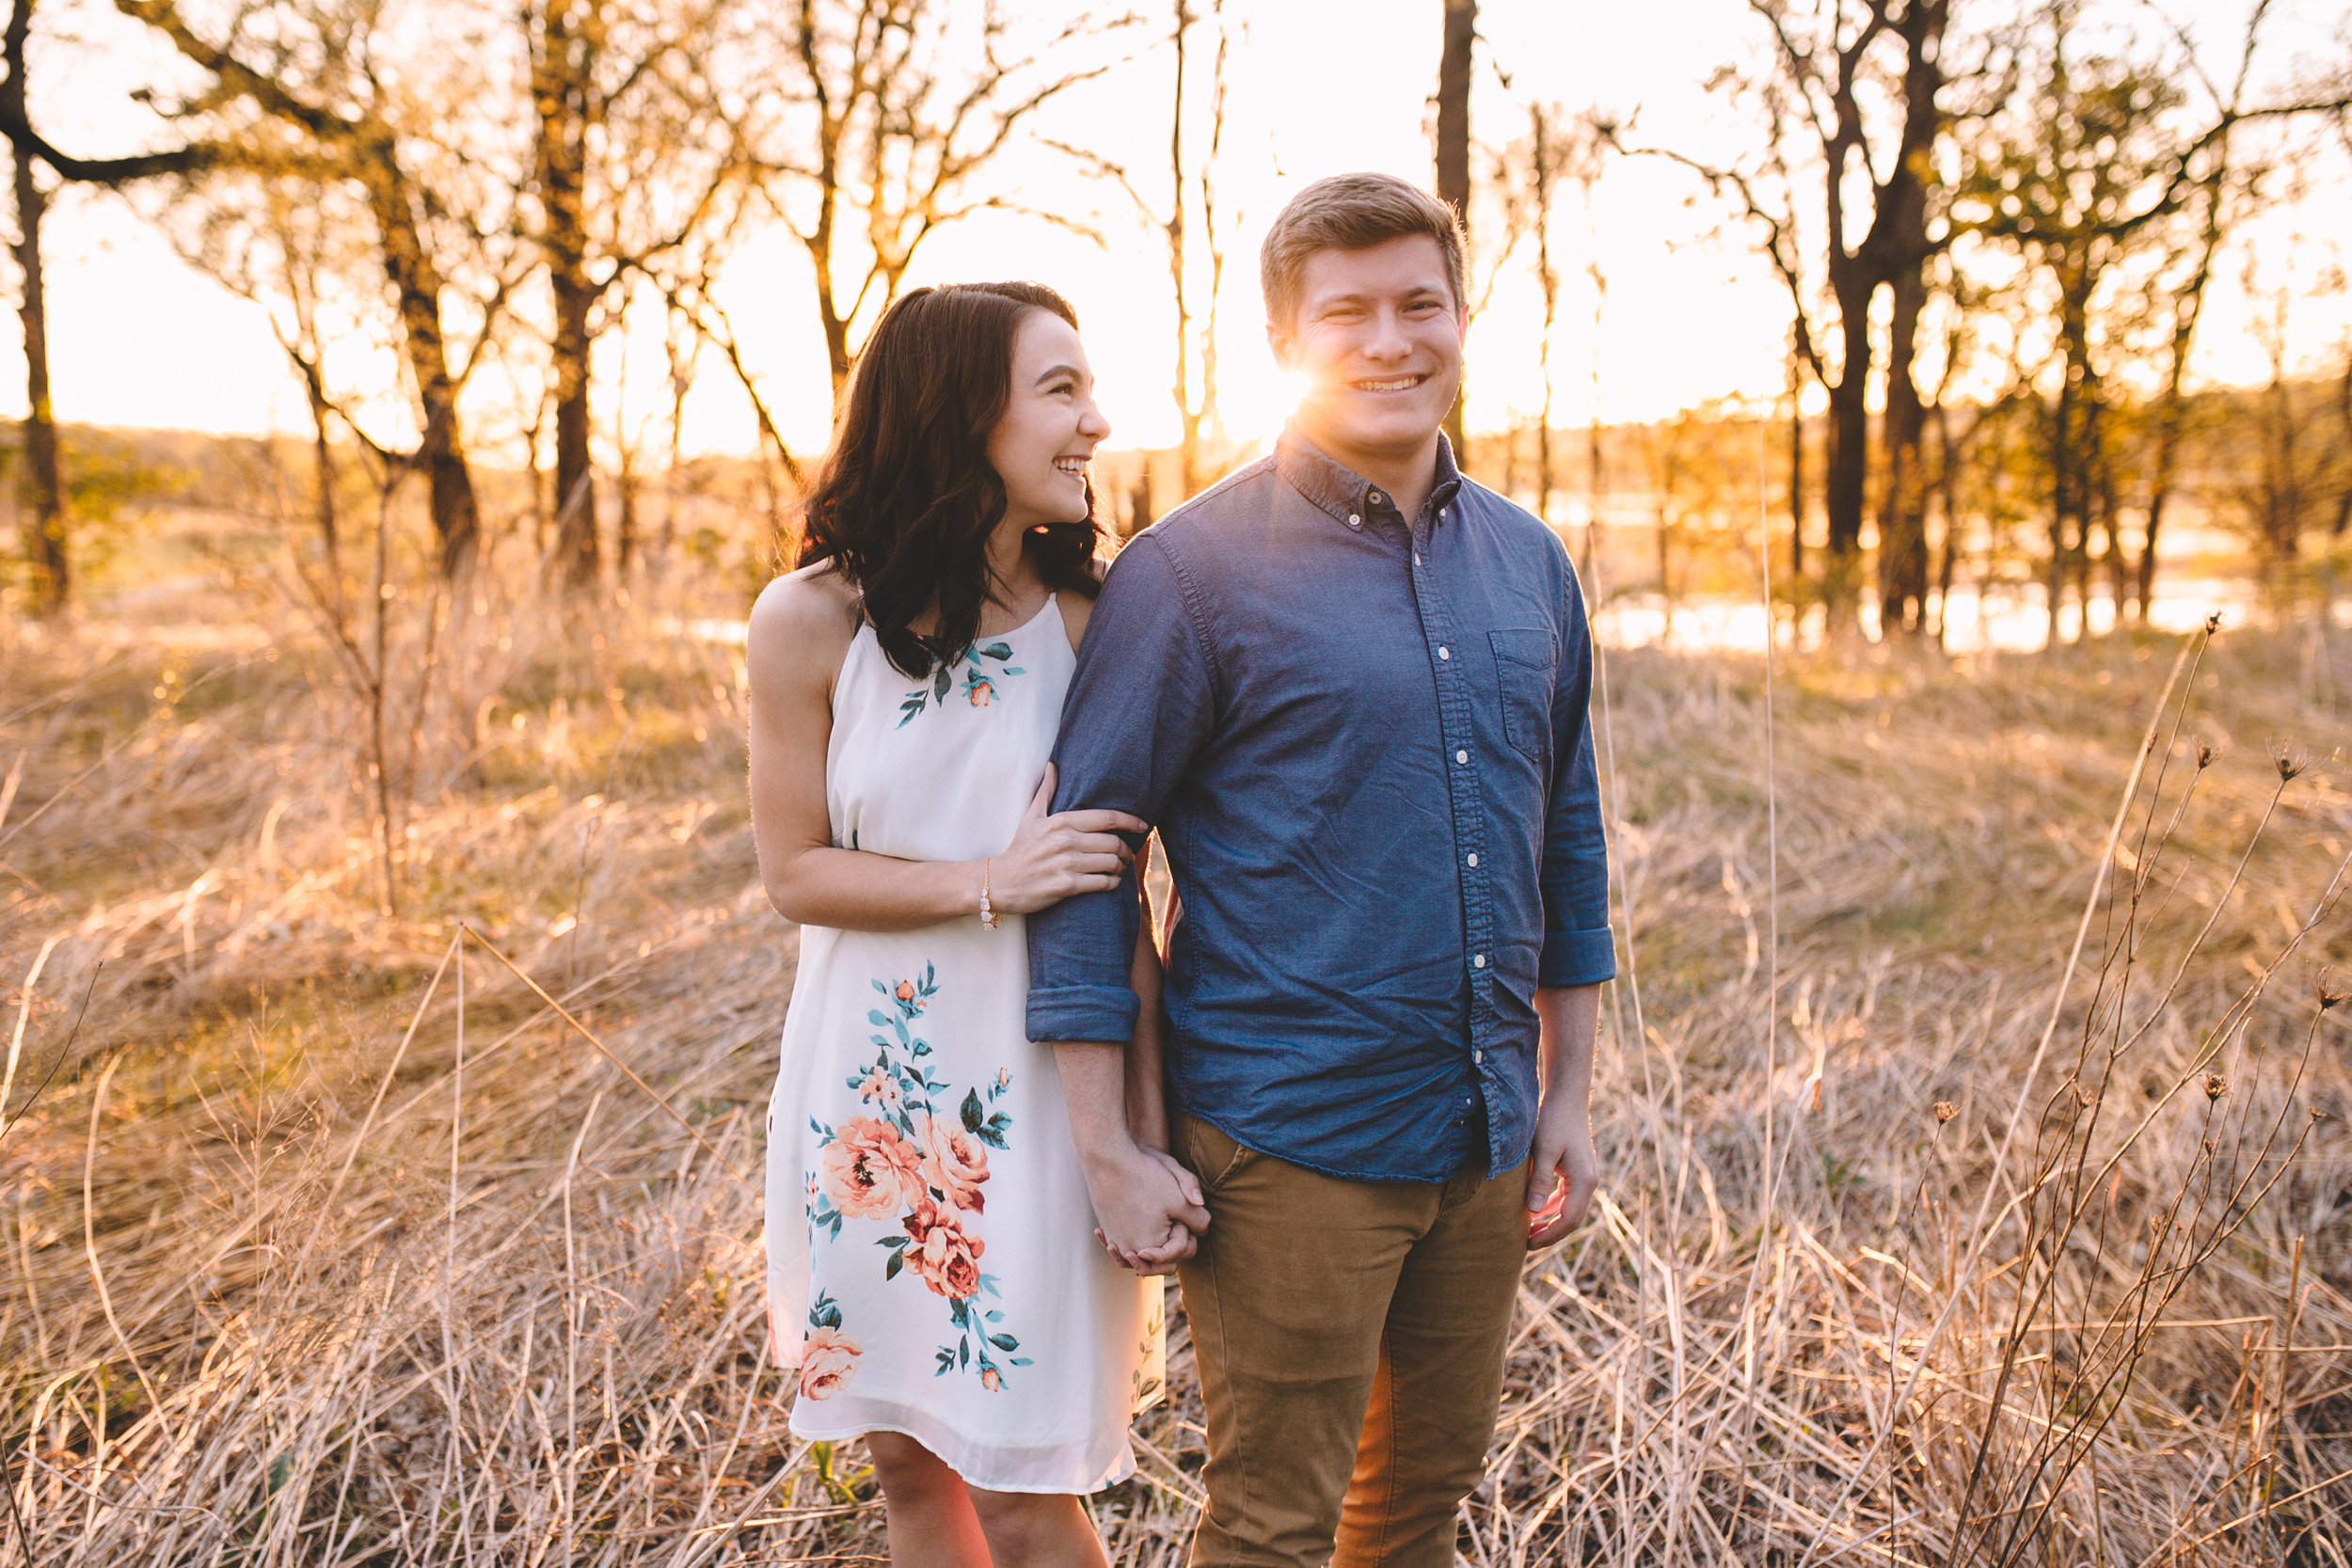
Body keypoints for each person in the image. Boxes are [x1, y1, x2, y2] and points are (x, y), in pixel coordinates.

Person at [1028, 172, 1616, 1568]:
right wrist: (1109, 1143)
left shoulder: (1531, 567)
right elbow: (1083, 865)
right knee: (1277, 1527)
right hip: (1288, 1139)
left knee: (1417, 1504)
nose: (1388, 340)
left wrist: (1571, 1087)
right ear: (1286, 339)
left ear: (1463, 318)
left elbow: (1567, 833)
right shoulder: (1187, 576)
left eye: (1420, 304)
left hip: (1481, 1129)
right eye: (1343, 313)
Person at [747, 279, 1208, 1568]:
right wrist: (993, 877)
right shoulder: (807, 623)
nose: (1097, 423)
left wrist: (1133, 1138)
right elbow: (795, 874)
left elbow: (1122, 907)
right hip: (864, 1092)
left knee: (1018, 1479)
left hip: (1038, 1090)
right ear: (963, 416)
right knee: (905, 1460)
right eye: (1060, 391)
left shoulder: (1093, 623)